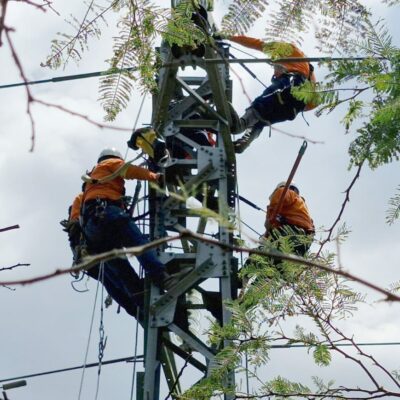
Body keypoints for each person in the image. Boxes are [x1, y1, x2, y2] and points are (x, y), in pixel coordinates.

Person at [80, 147, 177, 293]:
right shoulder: (111, 163)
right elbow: (129, 170)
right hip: (108, 213)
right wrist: (154, 177)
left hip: (92, 230)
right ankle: (162, 278)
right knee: (138, 243)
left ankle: (138, 295)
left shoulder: (92, 178)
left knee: (120, 267)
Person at [222, 35, 317, 153]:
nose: (274, 69)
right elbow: (314, 103)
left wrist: (229, 37)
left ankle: (239, 126)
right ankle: (243, 142)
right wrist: (298, 105)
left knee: (259, 105)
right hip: (292, 110)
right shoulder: (309, 74)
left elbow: (257, 43)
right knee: (261, 120)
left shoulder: (288, 50)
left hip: (288, 85)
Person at [63, 190, 145, 319]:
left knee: (113, 282)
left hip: (89, 256)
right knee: (120, 276)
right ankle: (139, 301)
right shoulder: (85, 201)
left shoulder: (80, 214)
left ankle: (136, 308)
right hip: (94, 248)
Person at [264, 181, 315, 257]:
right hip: (304, 241)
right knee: (283, 264)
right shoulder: (300, 206)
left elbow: (278, 202)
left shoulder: (284, 191)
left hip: (290, 235)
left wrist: (269, 219)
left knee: (257, 256)